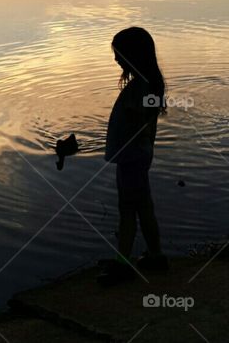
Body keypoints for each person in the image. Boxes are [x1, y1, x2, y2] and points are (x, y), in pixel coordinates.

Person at [98, 27, 167, 286]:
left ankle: (122, 265)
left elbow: (143, 120)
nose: (116, 59)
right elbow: (148, 127)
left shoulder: (143, 86)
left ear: (134, 56)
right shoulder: (144, 83)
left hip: (132, 158)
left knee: (127, 210)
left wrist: (131, 117)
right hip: (137, 155)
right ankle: (156, 256)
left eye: (119, 55)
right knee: (143, 207)